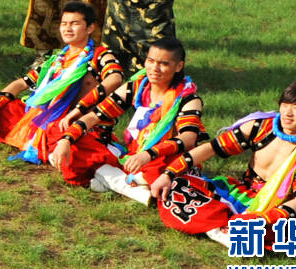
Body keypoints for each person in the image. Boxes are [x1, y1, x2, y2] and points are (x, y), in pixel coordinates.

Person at [148, 80, 296, 247]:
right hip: (240, 194)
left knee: (293, 232)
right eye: (285, 105)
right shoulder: (261, 126)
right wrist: (168, 174)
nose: (287, 113)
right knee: (176, 185)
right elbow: (211, 148)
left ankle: (221, 225)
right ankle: (224, 231)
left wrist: (262, 220)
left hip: (276, 209)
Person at [0, 0, 127, 186]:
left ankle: (59, 151)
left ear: (90, 28)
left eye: (74, 23)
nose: (67, 28)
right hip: (49, 119)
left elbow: (115, 78)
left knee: (54, 130)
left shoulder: (100, 55)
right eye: (64, 24)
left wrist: (80, 109)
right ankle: (47, 149)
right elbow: (21, 83)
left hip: (81, 123)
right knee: (9, 108)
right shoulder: (57, 60)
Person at [51, 38, 203, 204]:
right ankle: (126, 184)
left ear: (178, 66)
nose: (154, 68)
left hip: (162, 158)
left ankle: (110, 179)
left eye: (163, 64)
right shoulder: (137, 87)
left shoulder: (188, 98)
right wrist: (67, 139)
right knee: (62, 134)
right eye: (150, 61)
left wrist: (148, 154)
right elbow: (95, 115)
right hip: (133, 156)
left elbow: (189, 138)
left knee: (162, 171)